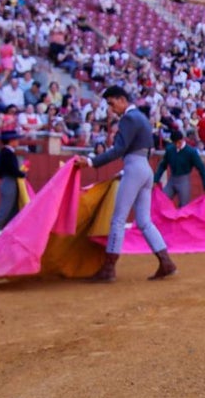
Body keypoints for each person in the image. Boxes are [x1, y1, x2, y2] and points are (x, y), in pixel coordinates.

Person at [73, 85, 177, 282]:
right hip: (145, 168)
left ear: (122, 99)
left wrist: (91, 162)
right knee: (144, 221)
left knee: (118, 219)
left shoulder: (128, 118)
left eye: (112, 104)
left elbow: (119, 149)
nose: (111, 109)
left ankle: (108, 269)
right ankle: (166, 262)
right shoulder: (142, 118)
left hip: (134, 168)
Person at [153, 130, 205, 208]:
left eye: (179, 143)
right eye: (175, 143)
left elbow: (202, 169)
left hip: (184, 181)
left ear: (183, 139)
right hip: (172, 180)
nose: (177, 145)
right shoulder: (170, 149)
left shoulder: (191, 152)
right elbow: (162, 165)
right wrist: (155, 180)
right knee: (162, 201)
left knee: (184, 207)